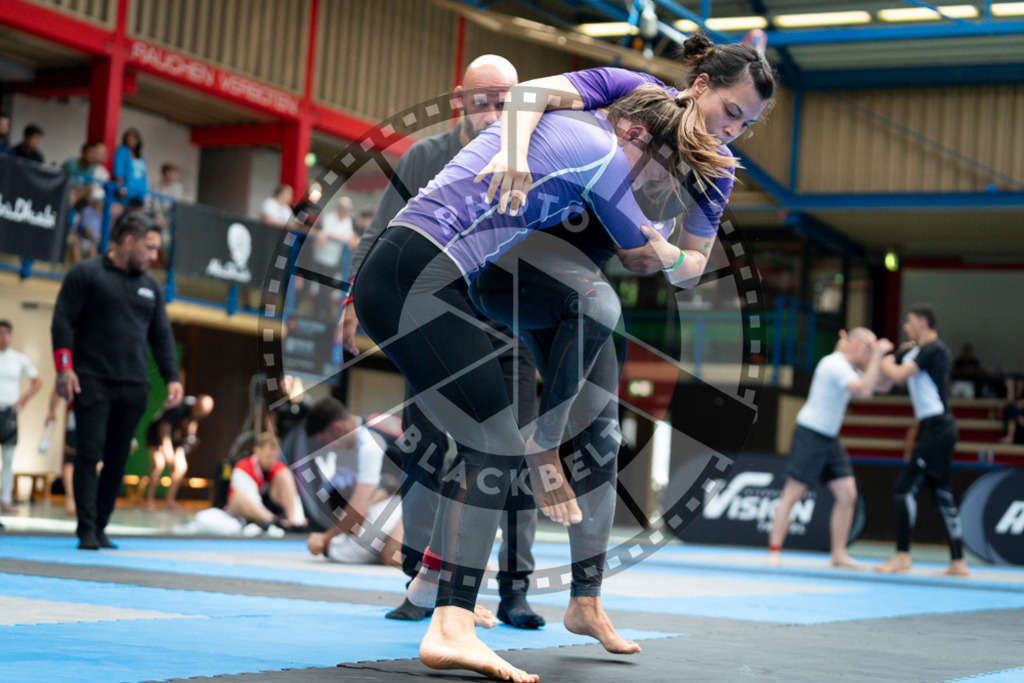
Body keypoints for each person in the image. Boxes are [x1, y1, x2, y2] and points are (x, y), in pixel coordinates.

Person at [352, 67, 743, 680]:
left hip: (419, 277)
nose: (653, 184)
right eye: (660, 170)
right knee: (498, 444)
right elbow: (644, 251)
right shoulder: (600, 153)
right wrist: (679, 246)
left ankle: (443, 600)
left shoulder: (571, 134)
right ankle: (450, 619)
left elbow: (533, 112)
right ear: (635, 134)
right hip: (414, 279)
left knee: (488, 440)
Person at [341, 54, 545, 629]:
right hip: (431, 321)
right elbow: (379, 233)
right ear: (460, 98)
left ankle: (515, 589)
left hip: (509, 327)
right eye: (484, 100)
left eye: (506, 100)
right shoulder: (426, 156)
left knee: (516, 458)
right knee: (424, 448)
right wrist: (353, 299)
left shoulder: (531, 152)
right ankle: (420, 583)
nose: (495, 111)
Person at [51, 213, 183, 550]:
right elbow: (62, 319)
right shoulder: (87, 273)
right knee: (89, 452)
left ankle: (102, 524)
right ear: (128, 241)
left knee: (117, 457)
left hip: (134, 385)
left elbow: (162, 335)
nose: (155, 255)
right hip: (92, 380)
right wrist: (64, 366)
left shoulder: (151, 286)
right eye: (149, 247)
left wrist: (171, 377)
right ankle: (86, 529)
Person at [766, 328, 893, 568]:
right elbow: (865, 391)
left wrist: (883, 363)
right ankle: (774, 551)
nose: (869, 357)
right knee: (793, 494)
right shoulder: (833, 364)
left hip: (830, 439)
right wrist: (877, 356)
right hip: (810, 433)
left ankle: (838, 554)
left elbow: (882, 387)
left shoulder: (852, 368)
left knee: (848, 495)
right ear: (856, 347)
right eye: (868, 350)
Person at [876, 304, 968, 576]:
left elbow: (897, 374)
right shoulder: (911, 350)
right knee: (942, 494)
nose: (906, 327)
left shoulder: (935, 350)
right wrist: (881, 359)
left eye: (910, 322)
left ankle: (902, 555)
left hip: (939, 427)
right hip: (931, 428)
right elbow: (886, 381)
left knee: (904, 488)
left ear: (923, 323)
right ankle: (958, 561)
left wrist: (881, 355)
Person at [300, 398, 405, 566]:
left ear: (337, 428)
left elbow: (358, 509)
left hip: (434, 495)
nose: (330, 447)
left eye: (326, 440)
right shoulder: (370, 424)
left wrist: (326, 538)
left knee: (393, 555)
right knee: (369, 535)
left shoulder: (368, 444)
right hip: (414, 493)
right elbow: (390, 484)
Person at [0, 320, 43, 513]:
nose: (3, 337)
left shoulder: (18, 359)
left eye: (6, 333)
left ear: (11, 335)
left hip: (9, 413)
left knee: (8, 458)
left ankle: (5, 499)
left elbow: (37, 381)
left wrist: (22, 401)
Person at [144, 394, 214, 510]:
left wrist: (191, 438)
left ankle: (169, 501)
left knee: (181, 467)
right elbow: (164, 427)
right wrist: (167, 447)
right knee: (158, 464)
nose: (201, 414)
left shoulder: (194, 414)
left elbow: (192, 425)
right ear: (197, 404)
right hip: (156, 436)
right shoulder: (181, 407)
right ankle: (149, 500)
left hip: (173, 439)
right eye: (201, 411)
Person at [225, 431, 306, 529]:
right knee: (238, 496)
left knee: (285, 475)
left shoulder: (277, 468)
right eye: (268, 456)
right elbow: (252, 501)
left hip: (271, 512)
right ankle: (275, 523)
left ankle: (291, 522)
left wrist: (298, 520)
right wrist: (273, 521)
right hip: (244, 514)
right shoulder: (242, 469)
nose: (271, 460)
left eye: (274, 457)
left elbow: (292, 495)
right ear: (257, 451)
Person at [43, 388, 78, 517]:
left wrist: (51, 411)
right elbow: (59, 388)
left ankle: (74, 497)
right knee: (71, 458)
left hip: (94, 417)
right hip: (80, 416)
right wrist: (51, 411)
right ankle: (71, 496)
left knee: (87, 459)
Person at [112, 128, 148, 205]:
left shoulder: (141, 155)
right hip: (127, 190)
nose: (130, 140)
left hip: (140, 191)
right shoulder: (122, 150)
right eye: (128, 138)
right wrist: (120, 187)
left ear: (137, 140)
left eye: (133, 138)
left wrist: (145, 194)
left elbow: (144, 175)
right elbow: (119, 170)